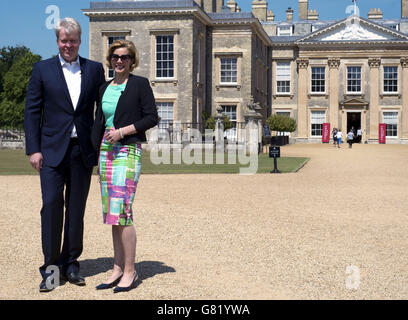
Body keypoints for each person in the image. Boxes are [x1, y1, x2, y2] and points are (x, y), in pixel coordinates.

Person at [24, 18, 105, 292]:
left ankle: (71, 263)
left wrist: (95, 146)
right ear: (57, 41)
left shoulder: (94, 70)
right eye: (63, 40)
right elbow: (32, 112)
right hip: (50, 151)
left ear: (79, 41)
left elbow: (101, 112)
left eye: (72, 40)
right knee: (51, 206)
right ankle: (51, 268)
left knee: (76, 210)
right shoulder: (42, 70)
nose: (68, 45)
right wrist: (33, 149)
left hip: (81, 151)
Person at [91, 40, 159, 293]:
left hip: (127, 149)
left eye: (125, 57)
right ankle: (117, 267)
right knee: (112, 213)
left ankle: (130, 270)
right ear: (110, 60)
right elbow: (99, 120)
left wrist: (122, 132)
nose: (120, 61)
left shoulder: (139, 84)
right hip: (106, 152)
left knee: (122, 209)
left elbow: (152, 116)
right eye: (115, 57)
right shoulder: (104, 88)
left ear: (132, 60)